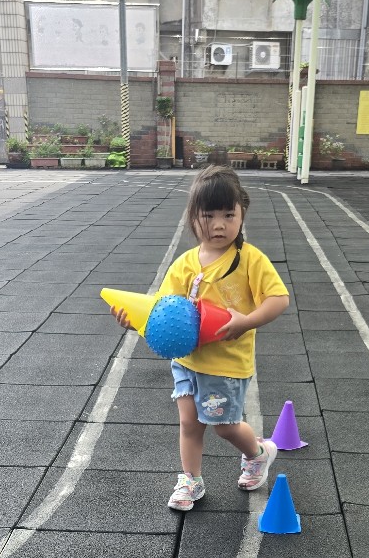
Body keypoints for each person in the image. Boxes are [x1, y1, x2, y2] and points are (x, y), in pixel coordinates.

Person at [112, 165, 289, 511]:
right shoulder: (185, 264)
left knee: (224, 427)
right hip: (187, 361)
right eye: (208, 216)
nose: (219, 224)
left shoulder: (249, 260)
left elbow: (278, 299)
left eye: (228, 215)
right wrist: (134, 321)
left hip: (226, 366)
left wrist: (247, 321)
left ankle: (258, 453)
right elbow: (163, 312)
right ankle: (191, 479)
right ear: (192, 218)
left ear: (242, 213)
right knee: (189, 423)